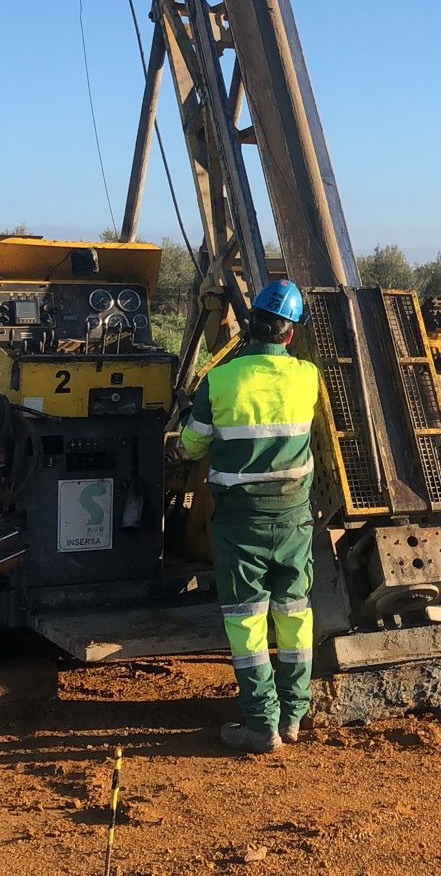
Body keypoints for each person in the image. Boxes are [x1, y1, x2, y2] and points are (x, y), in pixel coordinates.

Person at [178, 279, 320, 754]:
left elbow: (191, 444)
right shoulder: (307, 377)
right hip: (295, 518)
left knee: (246, 621)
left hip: (241, 523)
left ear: (250, 325)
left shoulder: (220, 380)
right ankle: (294, 715)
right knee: (295, 616)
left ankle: (262, 724)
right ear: (289, 334)